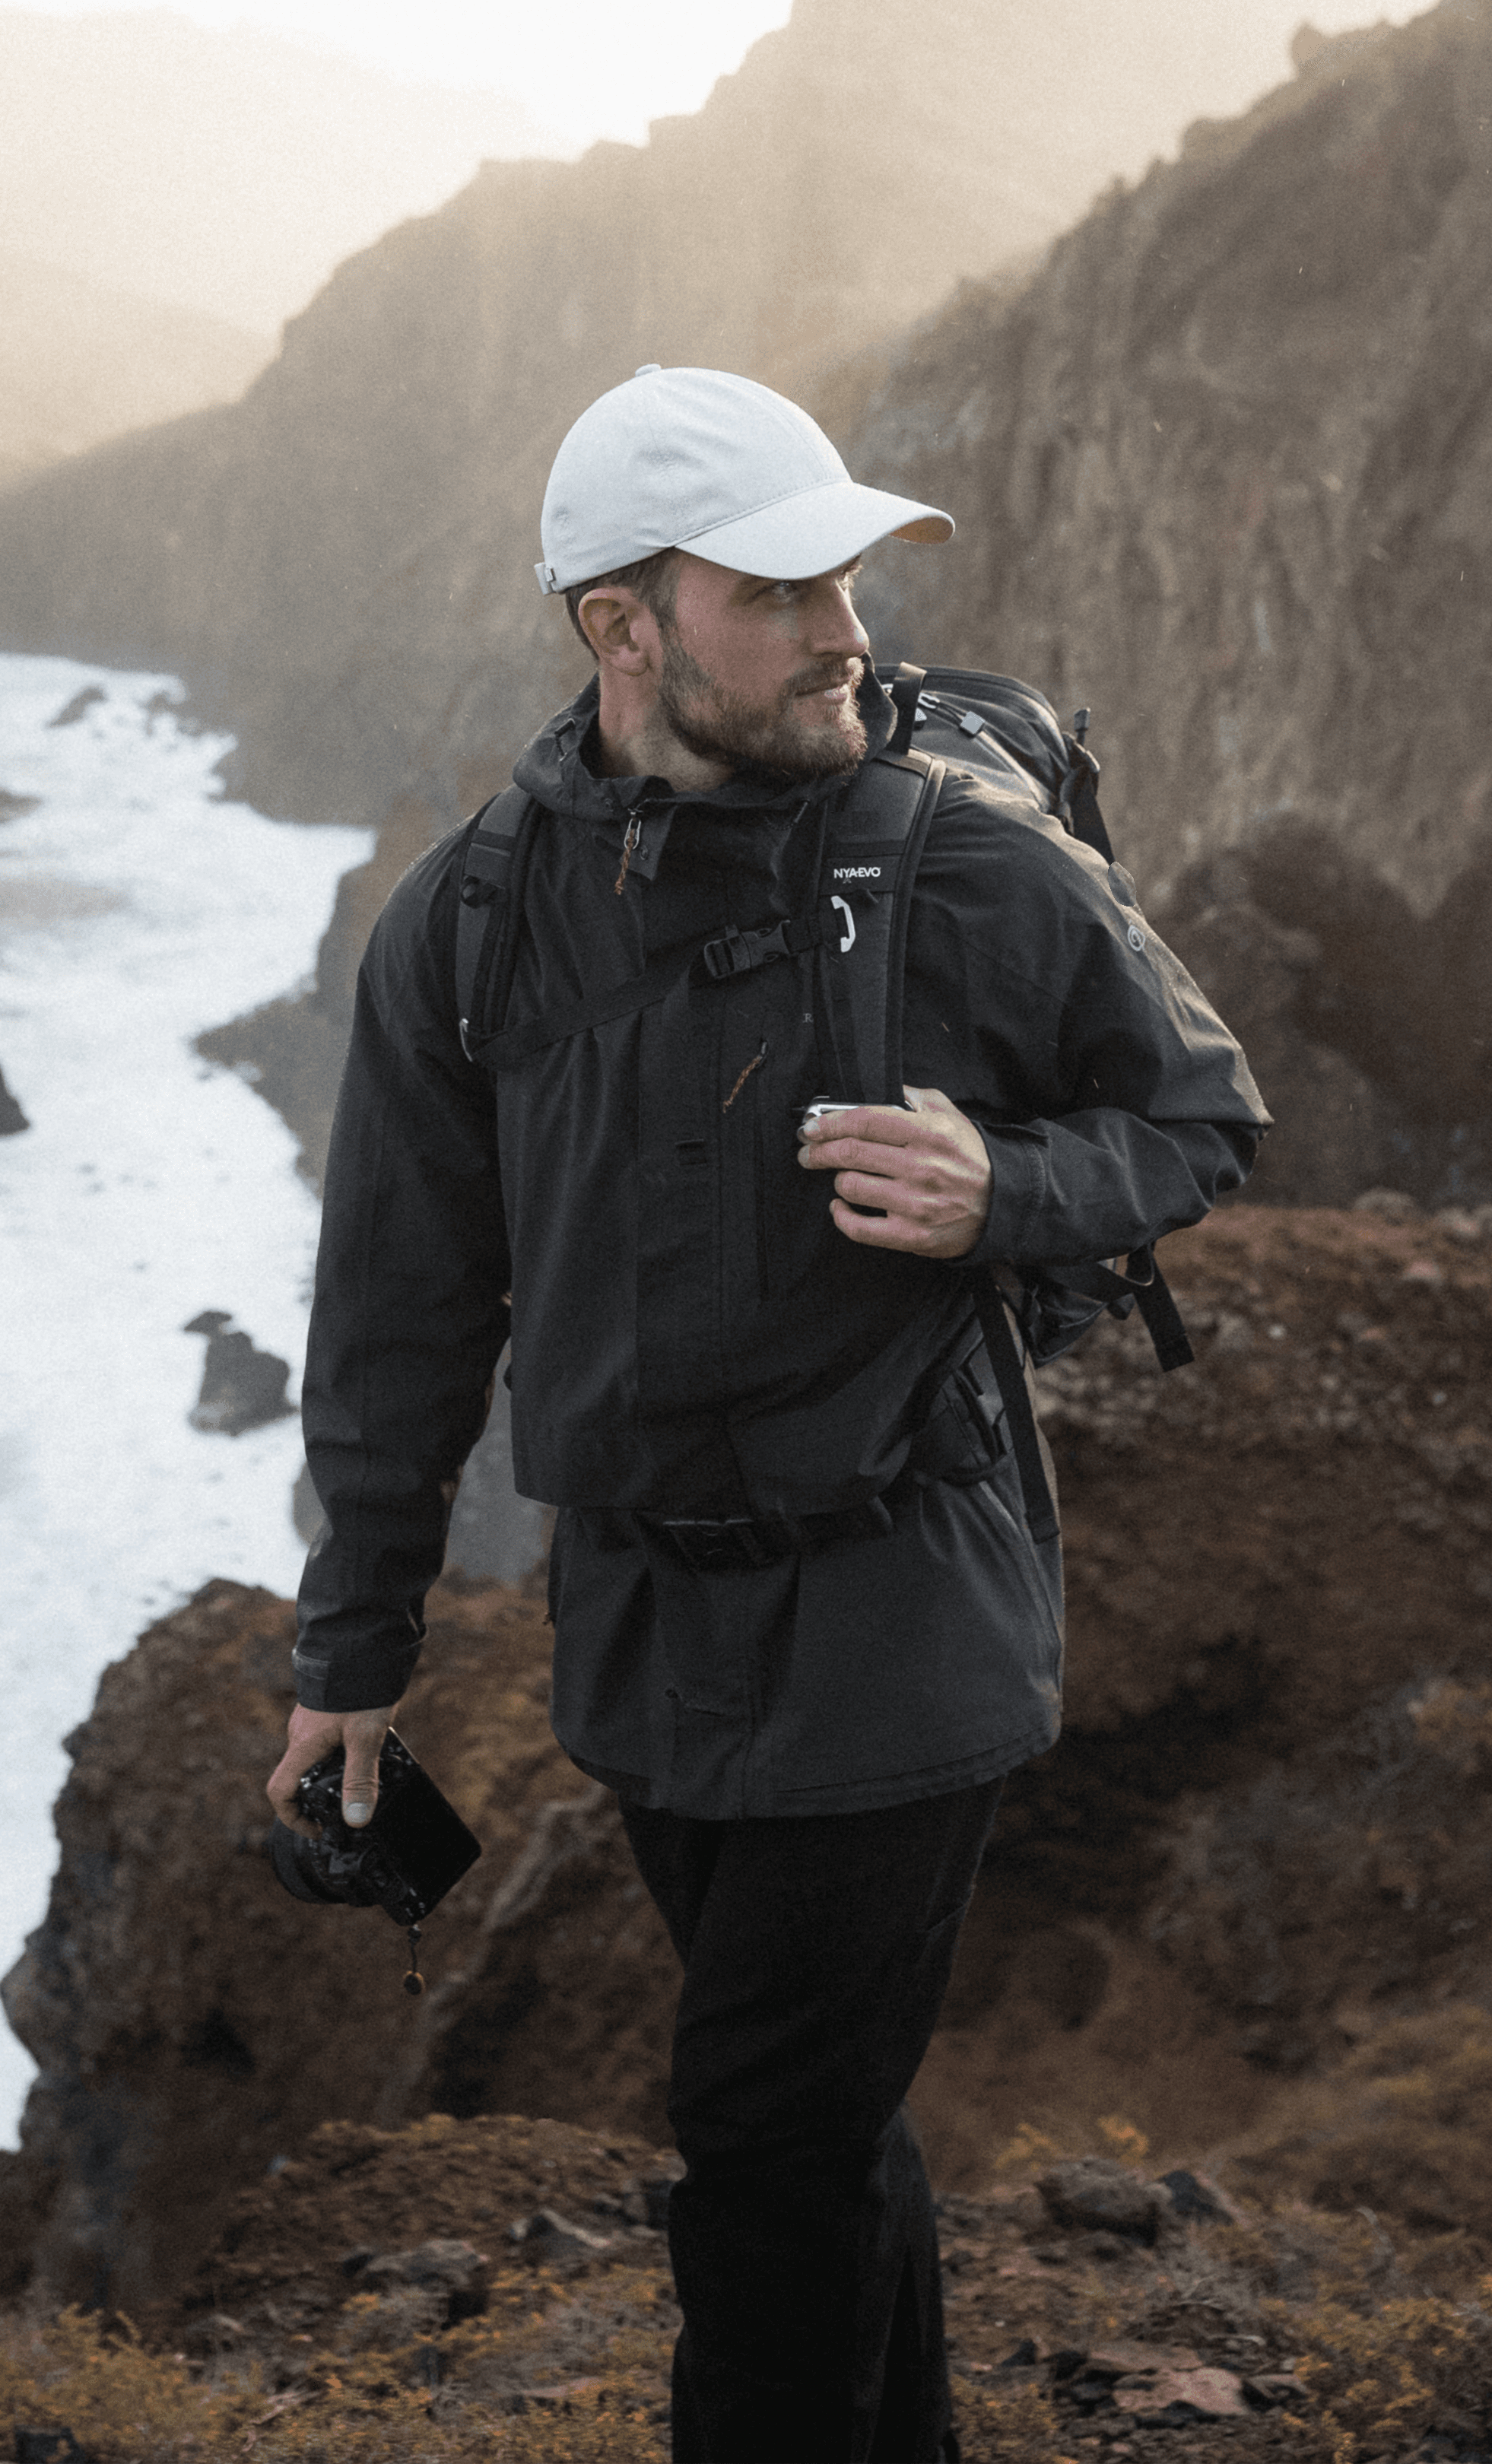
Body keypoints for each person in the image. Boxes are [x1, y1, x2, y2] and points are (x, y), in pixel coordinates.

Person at [268, 364, 1269, 2462]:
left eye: (852, 576)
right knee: (824, 2133)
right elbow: (397, 1312)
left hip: (906, 1605)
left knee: (755, 2134)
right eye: (783, 586)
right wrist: (351, 1655)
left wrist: (1017, 1191)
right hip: (644, 1639)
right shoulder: (468, 926)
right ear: (623, 628)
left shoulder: (963, 866)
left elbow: (1195, 1107)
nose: (847, 628)